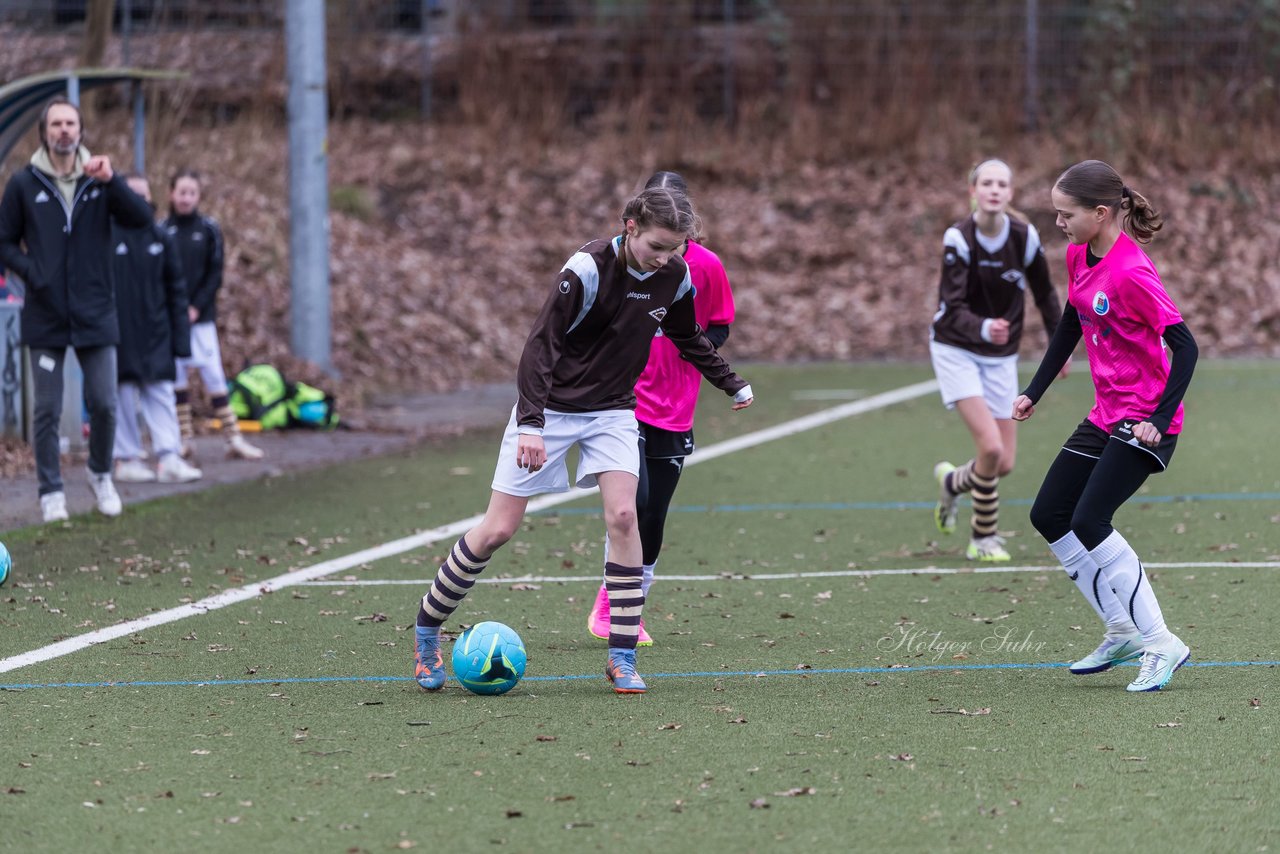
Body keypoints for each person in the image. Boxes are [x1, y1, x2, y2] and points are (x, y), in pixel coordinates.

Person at [413, 186, 754, 695]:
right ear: (630, 226)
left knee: (624, 516)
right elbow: (540, 347)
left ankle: (622, 657)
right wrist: (530, 422)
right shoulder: (587, 269)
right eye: (657, 246)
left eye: (676, 249)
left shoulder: (676, 274)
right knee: (498, 529)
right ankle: (425, 636)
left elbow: (687, 335)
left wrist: (728, 379)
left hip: (614, 411)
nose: (666, 258)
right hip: (550, 408)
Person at [1013, 159, 1198, 692]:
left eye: (1065, 214)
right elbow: (1073, 318)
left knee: (1091, 519)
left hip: (1145, 417)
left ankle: (1161, 642)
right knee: (1050, 513)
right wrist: (1035, 390)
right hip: (1106, 414)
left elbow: (1186, 347)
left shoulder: (1133, 271)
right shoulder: (1078, 254)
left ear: (1100, 213)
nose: (1059, 224)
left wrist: (1158, 421)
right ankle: (1120, 627)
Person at [586, 171, 736, 646]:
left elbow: (716, 327)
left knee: (655, 513)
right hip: (621, 400)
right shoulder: (614, 262)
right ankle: (612, 606)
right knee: (634, 503)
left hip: (673, 405)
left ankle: (633, 601)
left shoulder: (705, 266)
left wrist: (684, 346)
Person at [0, 96, 155, 522]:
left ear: (81, 131)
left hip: (96, 312)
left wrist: (113, 181)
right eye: (56, 124)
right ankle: (50, 491)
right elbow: (5, 242)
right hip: (45, 313)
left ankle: (101, 473)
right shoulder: (23, 184)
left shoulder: (99, 181)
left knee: (104, 402)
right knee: (47, 410)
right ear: (45, 133)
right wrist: (35, 273)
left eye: (71, 123)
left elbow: (143, 218)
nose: (64, 130)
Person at [929, 159, 1065, 563]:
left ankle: (953, 482)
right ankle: (982, 539)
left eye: (1001, 184)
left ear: (1010, 194)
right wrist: (985, 327)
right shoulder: (959, 238)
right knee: (988, 447)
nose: (993, 190)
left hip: (1000, 357)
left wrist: (1061, 349)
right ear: (973, 191)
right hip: (956, 348)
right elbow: (950, 307)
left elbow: (1045, 295)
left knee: (1003, 462)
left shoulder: (1023, 237)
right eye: (986, 183)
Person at [162, 169, 264, 461]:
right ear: (171, 194)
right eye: (181, 192)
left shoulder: (208, 229)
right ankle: (185, 439)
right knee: (176, 379)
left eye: (191, 193)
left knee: (214, 376)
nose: (186, 198)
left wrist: (196, 307)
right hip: (173, 318)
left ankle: (233, 438)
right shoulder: (162, 229)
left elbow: (214, 273)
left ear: (198, 196)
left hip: (201, 318)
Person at [111, 174, 203, 484]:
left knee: (162, 394)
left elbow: (177, 290)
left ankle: (169, 457)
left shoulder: (161, 238)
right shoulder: (106, 236)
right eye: (131, 194)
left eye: (143, 195)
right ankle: (125, 458)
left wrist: (181, 341)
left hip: (155, 333)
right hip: (119, 334)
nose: (138, 201)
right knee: (122, 395)